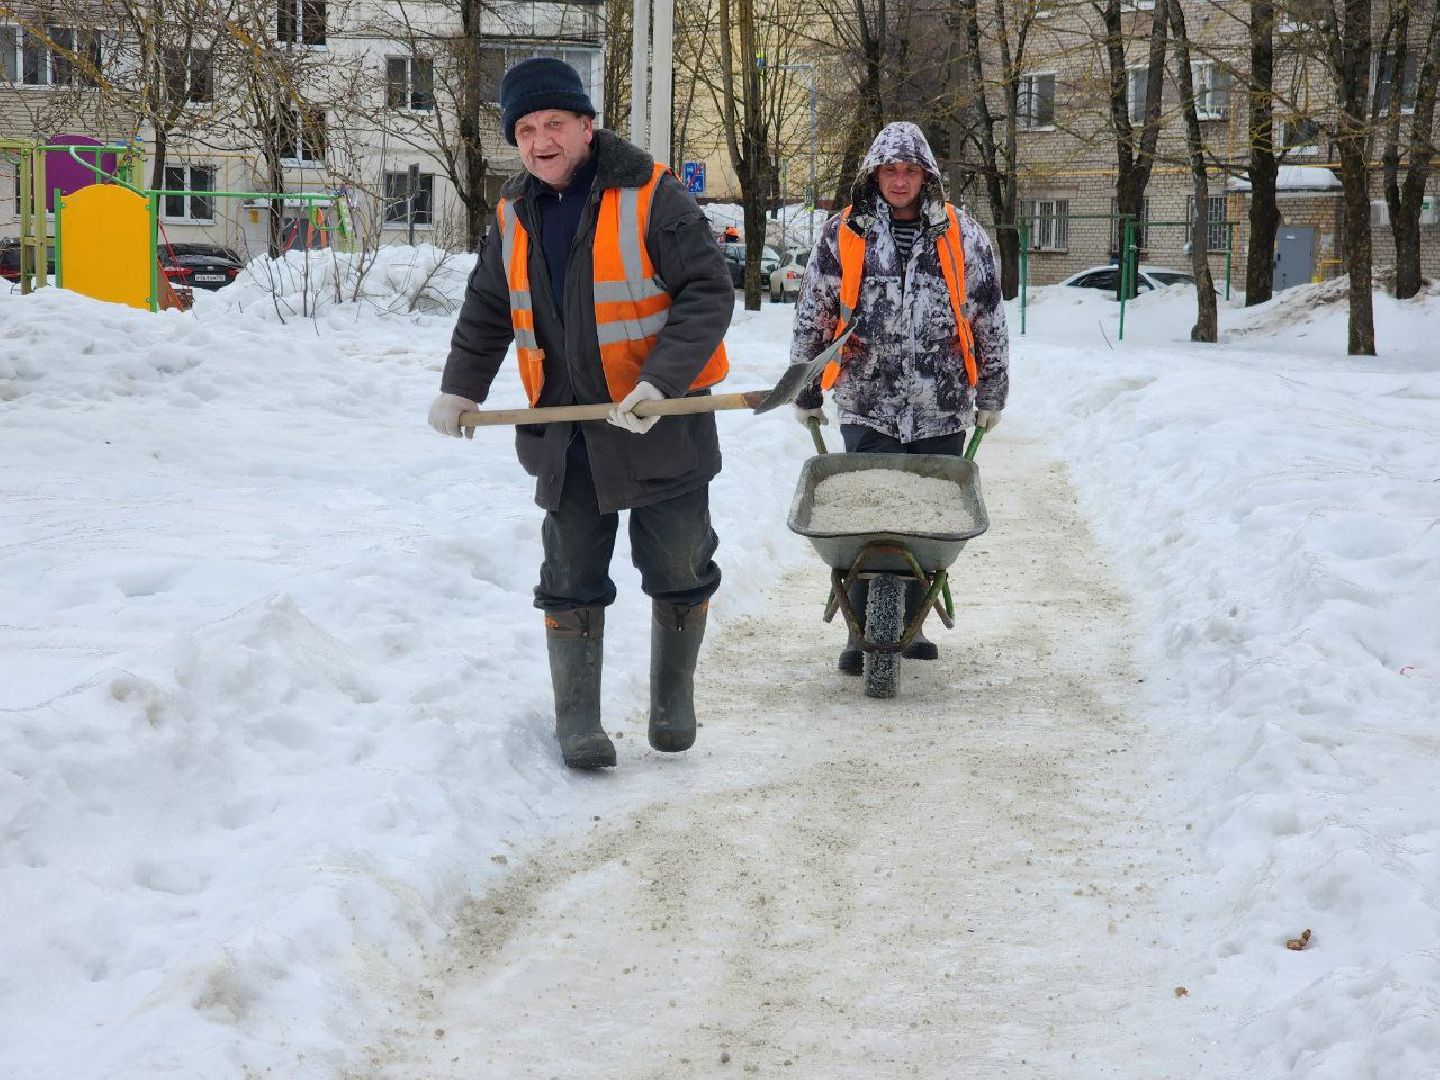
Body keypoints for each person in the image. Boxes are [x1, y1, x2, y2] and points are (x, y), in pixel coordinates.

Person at [428, 57, 735, 770]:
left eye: (555, 124)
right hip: (565, 429)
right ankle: (578, 721)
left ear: (587, 126)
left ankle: (672, 702)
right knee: (568, 572)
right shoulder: (513, 212)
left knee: (680, 561)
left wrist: (661, 381)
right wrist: (460, 386)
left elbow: (707, 291)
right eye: (526, 130)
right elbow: (487, 308)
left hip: (659, 419)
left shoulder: (650, 193)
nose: (541, 142)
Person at [789, 121, 1009, 674]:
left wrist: (992, 391)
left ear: (926, 175)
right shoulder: (845, 232)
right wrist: (804, 388)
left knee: (926, 523)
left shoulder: (962, 233)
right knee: (866, 520)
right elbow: (814, 312)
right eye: (890, 170)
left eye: (910, 170)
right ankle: (858, 630)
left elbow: (988, 315)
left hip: (942, 403)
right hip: (868, 400)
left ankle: (911, 624)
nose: (900, 180)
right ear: (875, 174)